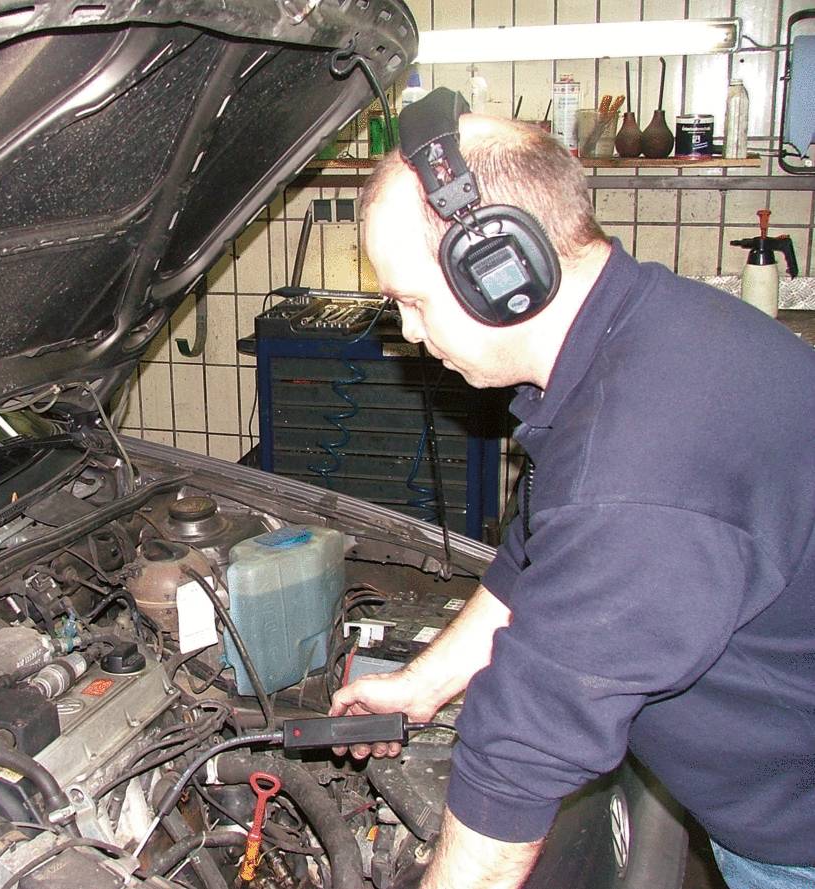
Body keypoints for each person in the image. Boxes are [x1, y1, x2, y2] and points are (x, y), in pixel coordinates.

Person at [329, 97, 815, 889]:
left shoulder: (636, 465)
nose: (410, 334)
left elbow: (523, 754)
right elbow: (535, 558)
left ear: (500, 268)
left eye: (412, 302)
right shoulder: (642, 331)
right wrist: (424, 682)